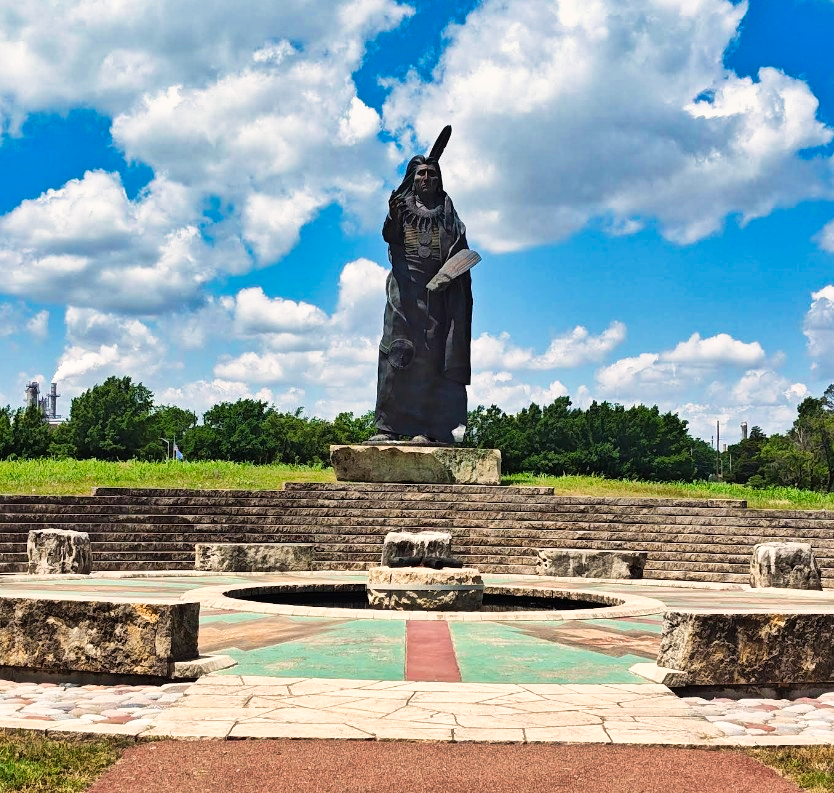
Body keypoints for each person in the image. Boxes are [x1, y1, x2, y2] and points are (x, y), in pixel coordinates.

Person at [369, 132, 473, 445]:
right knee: (395, 354)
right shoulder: (401, 208)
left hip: (437, 294)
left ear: (439, 180)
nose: (427, 178)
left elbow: (460, 250)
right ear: (413, 180)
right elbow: (390, 236)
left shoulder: (448, 213)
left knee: (432, 360)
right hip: (404, 293)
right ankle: (388, 427)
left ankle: (429, 429)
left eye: (432, 174)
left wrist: (447, 276)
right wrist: (392, 215)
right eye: (421, 174)